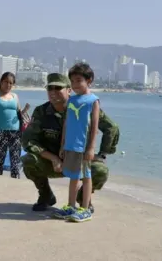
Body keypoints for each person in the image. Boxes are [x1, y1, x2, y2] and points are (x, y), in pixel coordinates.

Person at [21, 72, 119, 213]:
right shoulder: (41, 112)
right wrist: (52, 157)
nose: (53, 92)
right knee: (28, 161)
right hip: (53, 164)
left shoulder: (84, 106)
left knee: (101, 171)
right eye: (50, 88)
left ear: (68, 90)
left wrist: (102, 154)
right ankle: (46, 195)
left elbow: (112, 127)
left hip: (79, 160)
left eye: (58, 88)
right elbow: (28, 140)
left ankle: (83, 198)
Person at [53, 63, 99, 222]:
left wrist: (91, 147)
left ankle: (85, 209)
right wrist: (62, 144)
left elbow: (94, 126)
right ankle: (71, 205)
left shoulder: (93, 101)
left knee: (86, 176)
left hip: (84, 146)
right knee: (73, 176)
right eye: (72, 81)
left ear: (89, 80)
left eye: (79, 80)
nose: (75, 84)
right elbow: (67, 123)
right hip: (71, 145)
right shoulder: (72, 100)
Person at [0, 72, 24, 178]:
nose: (8, 85)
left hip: (15, 133)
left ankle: (15, 187)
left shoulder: (15, 96)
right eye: (6, 82)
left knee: (15, 164)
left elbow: (19, 114)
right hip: (0, 132)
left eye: (11, 83)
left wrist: (24, 129)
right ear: (1, 82)